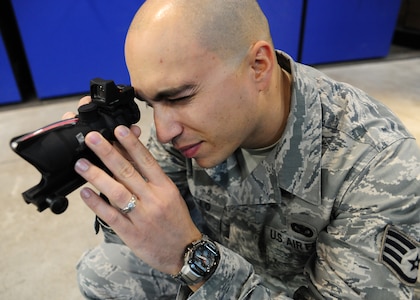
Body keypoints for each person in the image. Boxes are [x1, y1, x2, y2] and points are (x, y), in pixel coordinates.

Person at [69, 0, 420, 299]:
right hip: (233, 276)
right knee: (106, 274)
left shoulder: (382, 170)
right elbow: (139, 240)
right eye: (151, 104)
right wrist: (125, 185)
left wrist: (193, 259)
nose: (162, 132)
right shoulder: (188, 130)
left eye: (179, 97)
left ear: (259, 67)